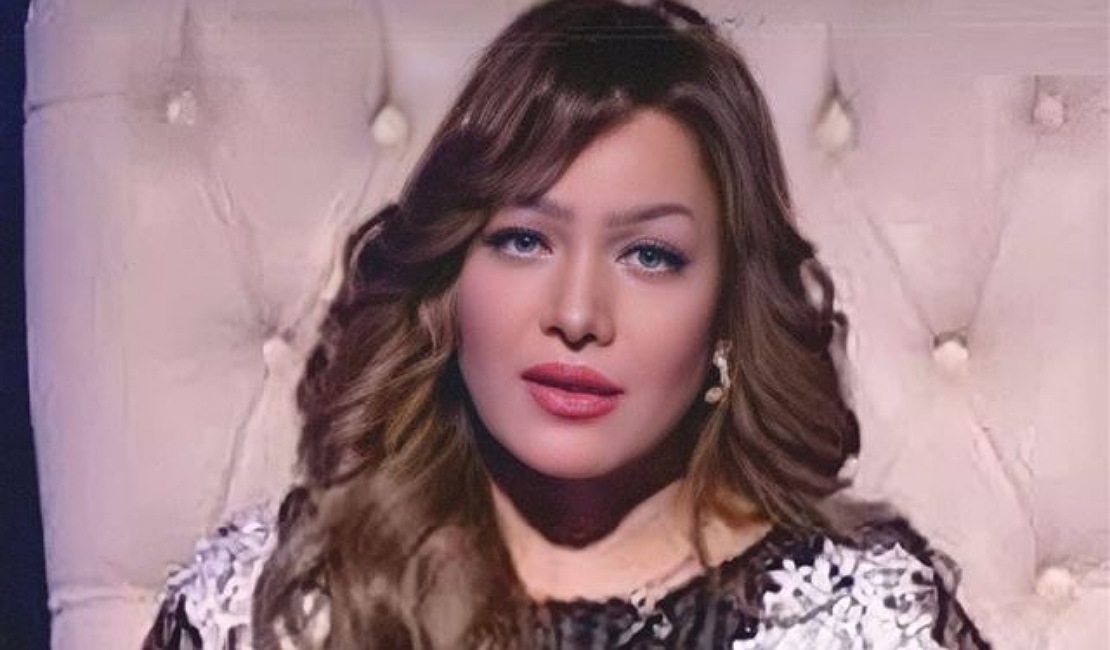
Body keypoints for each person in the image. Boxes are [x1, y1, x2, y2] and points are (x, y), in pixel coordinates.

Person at [143, 1, 991, 647]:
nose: (578, 315)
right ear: (449, 279)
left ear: (730, 312)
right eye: (523, 240)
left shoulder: (860, 621)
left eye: (649, 256)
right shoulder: (273, 607)